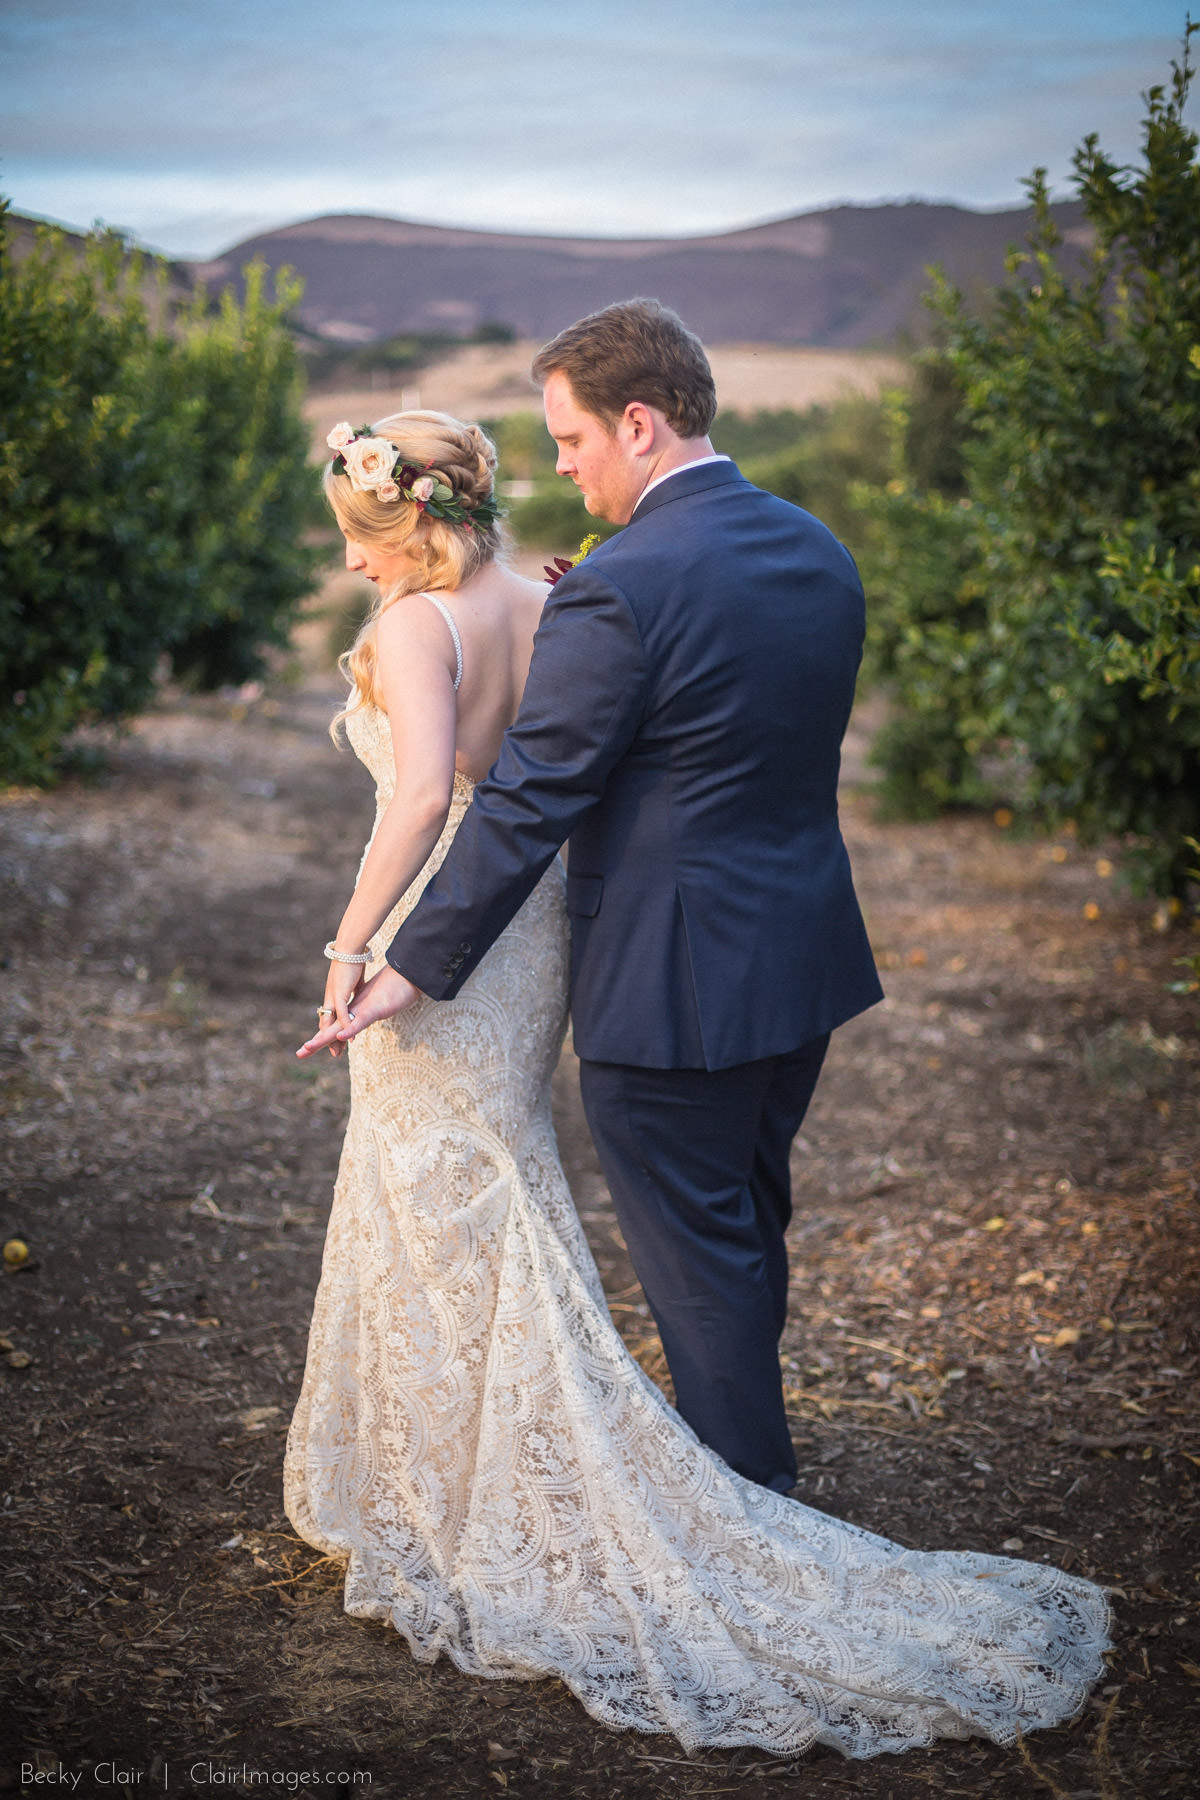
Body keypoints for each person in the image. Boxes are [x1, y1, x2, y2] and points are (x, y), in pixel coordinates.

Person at [288, 361, 1109, 1758]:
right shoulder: (807, 547)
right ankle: (740, 1456)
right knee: (743, 1215)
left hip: (669, 977)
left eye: (573, 437)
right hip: (799, 956)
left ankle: (743, 1505)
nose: (566, 466)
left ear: (638, 422)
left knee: (692, 1245)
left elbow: (524, 794)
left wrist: (400, 954)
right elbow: (727, 728)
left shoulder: (608, 587)